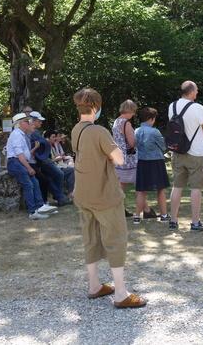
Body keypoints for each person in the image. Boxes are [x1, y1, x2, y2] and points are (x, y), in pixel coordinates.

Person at [71, 88, 147, 309]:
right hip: (104, 194)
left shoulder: (76, 129)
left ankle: (94, 285)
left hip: (83, 194)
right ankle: (121, 293)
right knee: (116, 239)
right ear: (95, 107)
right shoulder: (98, 131)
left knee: (90, 238)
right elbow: (119, 158)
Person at [167, 81, 203, 231]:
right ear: (191, 92)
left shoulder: (172, 106)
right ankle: (195, 222)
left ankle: (173, 220)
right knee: (196, 188)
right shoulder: (197, 107)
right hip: (195, 153)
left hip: (178, 151)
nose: (197, 92)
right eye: (197, 90)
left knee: (177, 186)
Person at [5, 113, 51, 220]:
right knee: (29, 184)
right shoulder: (16, 135)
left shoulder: (21, 134)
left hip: (19, 162)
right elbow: (19, 155)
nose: (29, 123)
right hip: (15, 163)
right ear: (20, 124)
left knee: (34, 181)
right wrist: (29, 167)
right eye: (26, 121)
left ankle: (40, 206)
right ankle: (32, 211)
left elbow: (25, 154)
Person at [112, 100, 153, 218]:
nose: (134, 114)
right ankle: (146, 210)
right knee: (139, 186)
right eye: (133, 111)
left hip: (119, 157)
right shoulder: (126, 123)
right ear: (129, 110)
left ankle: (119, 209)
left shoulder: (116, 122)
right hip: (130, 159)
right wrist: (139, 139)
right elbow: (131, 143)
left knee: (121, 185)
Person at [133, 107, 170, 224]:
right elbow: (164, 147)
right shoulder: (155, 132)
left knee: (141, 191)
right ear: (152, 119)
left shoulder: (136, 131)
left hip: (142, 162)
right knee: (160, 189)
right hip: (156, 162)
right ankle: (164, 215)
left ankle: (137, 216)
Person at [29, 113, 70, 208]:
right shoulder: (31, 132)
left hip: (40, 160)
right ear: (34, 121)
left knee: (52, 177)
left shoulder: (35, 131)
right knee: (58, 174)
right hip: (38, 160)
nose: (41, 123)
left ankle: (59, 197)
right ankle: (59, 197)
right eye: (39, 121)